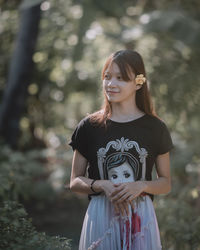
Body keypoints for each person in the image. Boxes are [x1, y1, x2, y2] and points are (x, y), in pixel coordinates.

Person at [69, 50, 173, 250]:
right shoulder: (89, 127)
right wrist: (102, 185)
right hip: (100, 215)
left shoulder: (155, 127)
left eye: (120, 78)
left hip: (141, 217)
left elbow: (165, 183)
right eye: (107, 77)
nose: (111, 84)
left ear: (138, 82)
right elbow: (74, 181)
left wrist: (140, 186)